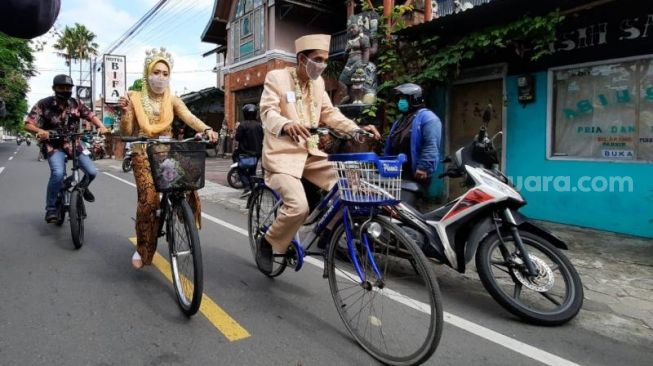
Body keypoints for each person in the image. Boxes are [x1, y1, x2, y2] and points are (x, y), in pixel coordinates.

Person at [257, 34, 381, 274]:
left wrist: (356, 130)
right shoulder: (277, 77)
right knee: (298, 207)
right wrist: (284, 124)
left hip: (311, 154)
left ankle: (328, 235)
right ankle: (268, 241)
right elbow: (267, 111)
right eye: (318, 59)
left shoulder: (319, 83)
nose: (322, 64)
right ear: (302, 59)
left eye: (325, 60)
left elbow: (330, 114)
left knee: (351, 186)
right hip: (281, 157)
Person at [117, 47, 218, 269]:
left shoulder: (173, 99)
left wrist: (208, 128)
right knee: (149, 202)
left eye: (165, 73)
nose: (160, 77)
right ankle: (143, 249)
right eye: (156, 72)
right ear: (147, 73)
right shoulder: (133, 98)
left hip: (165, 152)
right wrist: (125, 112)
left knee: (187, 183)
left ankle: (181, 215)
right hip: (142, 152)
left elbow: (190, 118)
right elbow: (126, 130)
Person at [24, 74, 109, 223]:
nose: (65, 90)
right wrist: (40, 131)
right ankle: (51, 208)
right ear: (54, 88)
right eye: (61, 87)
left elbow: (90, 115)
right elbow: (28, 124)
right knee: (57, 173)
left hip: (73, 143)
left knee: (92, 172)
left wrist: (101, 126)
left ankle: (81, 187)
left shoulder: (76, 103)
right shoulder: (44, 104)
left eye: (68, 88)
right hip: (53, 145)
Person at [384, 83, 442, 207]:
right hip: (397, 172)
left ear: (415, 99)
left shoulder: (428, 118)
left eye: (403, 99)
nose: (400, 102)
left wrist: (424, 167)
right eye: (399, 99)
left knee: (411, 207)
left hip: (416, 172)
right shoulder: (401, 120)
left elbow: (431, 144)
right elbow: (391, 143)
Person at [234, 103, 264, 197]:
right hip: (257, 153)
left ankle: (247, 187)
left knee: (240, 169)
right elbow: (262, 137)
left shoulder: (242, 125)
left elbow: (237, 138)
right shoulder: (259, 125)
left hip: (245, 152)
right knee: (252, 171)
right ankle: (252, 189)